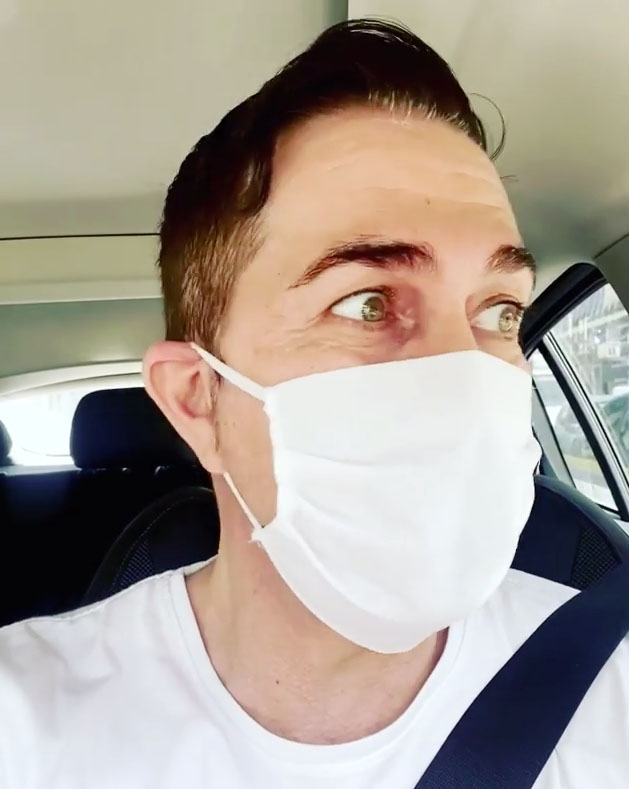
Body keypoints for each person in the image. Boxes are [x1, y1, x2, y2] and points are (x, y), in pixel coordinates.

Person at [1, 19, 627, 789]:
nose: (463, 371)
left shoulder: (607, 684)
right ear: (198, 401)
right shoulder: (23, 724)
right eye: (367, 303)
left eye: (499, 310)